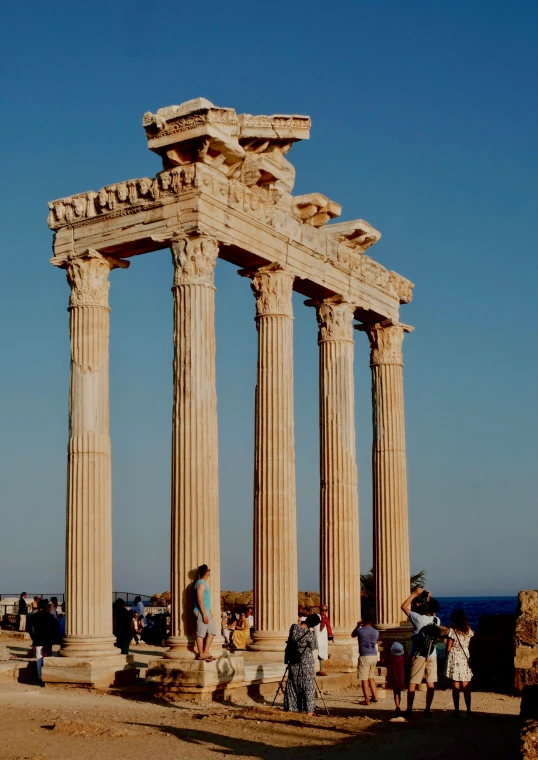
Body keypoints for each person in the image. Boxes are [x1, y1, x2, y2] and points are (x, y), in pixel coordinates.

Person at [401, 587, 441, 717]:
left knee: (413, 682)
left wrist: (415, 594)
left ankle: (409, 709)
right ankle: (427, 709)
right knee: (431, 682)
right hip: (432, 654)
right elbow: (432, 613)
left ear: (427, 608)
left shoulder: (418, 618)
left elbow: (404, 606)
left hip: (418, 654)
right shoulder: (437, 620)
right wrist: (429, 599)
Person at [284, 613, 319, 715]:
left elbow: (290, 640)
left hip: (294, 659)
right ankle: (309, 711)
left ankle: (293, 707)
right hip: (306, 661)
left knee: (293, 682)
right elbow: (313, 647)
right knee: (308, 685)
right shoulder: (309, 634)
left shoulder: (294, 627)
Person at [445, 608, 474, 716]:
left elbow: (448, 648)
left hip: (455, 658)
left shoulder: (452, 631)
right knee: (466, 685)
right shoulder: (468, 630)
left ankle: (457, 710)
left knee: (455, 686)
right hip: (465, 658)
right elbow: (468, 645)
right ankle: (469, 709)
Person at [28, 599, 59, 685]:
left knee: (39, 657)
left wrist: (33, 636)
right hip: (48, 640)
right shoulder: (50, 616)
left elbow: (29, 628)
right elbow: (55, 629)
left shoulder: (33, 616)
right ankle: (47, 675)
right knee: (47, 657)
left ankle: (40, 676)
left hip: (37, 639)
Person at [352, 612, 379, 705]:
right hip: (374, 655)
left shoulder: (360, 630)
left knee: (364, 678)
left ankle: (367, 699)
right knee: (371, 677)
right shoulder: (376, 631)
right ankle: (375, 696)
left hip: (364, 655)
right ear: (371, 621)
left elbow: (352, 635)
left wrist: (357, 626)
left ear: (363, 620)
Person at [193, 564, 216, 662]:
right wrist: (204, 614)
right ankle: (201, 654)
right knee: (201, 633)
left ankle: (206, 651)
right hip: (201, 610)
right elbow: (199, 600)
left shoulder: (203, 583)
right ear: (206, 572)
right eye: (209, 569)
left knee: (212, 631)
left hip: (206, 610)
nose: (210, 571)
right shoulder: (201, 584)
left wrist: (209, 612)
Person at [386, 642, 407, 714]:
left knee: (395, 693)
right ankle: (399, 705)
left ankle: (397, 705)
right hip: (401, 679)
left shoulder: (392, 659)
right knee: (399, 692)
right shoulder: (402, 658)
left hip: (394, 679)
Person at [313, 603, 333, 676]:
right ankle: (320, 669)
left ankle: (321, 669)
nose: (324, 612)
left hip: (323, 636)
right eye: (322, 610)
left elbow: (328, 627)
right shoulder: (317, 617)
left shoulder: (326, 618)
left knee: (322, 651)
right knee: (319, 651)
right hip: (318, 636)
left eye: (325, 610)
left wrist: (331, 635)